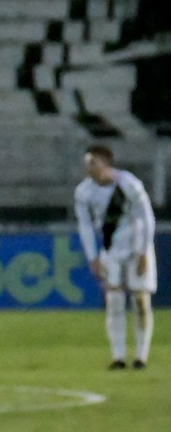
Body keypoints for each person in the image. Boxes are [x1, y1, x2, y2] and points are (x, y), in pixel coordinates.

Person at [74, 144, 158, 369]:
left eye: (92, 162)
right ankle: (118, 357)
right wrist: (92, 257)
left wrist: (143, 252)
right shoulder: (84, 192)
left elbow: (147, 218)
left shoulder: (129, 184)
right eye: (87, 163)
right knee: (114, 301)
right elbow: (85, 226)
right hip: (111, 249)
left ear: (105, 163)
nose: (88, 168)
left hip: (137, 247)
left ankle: (141, 356)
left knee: (140, 300)